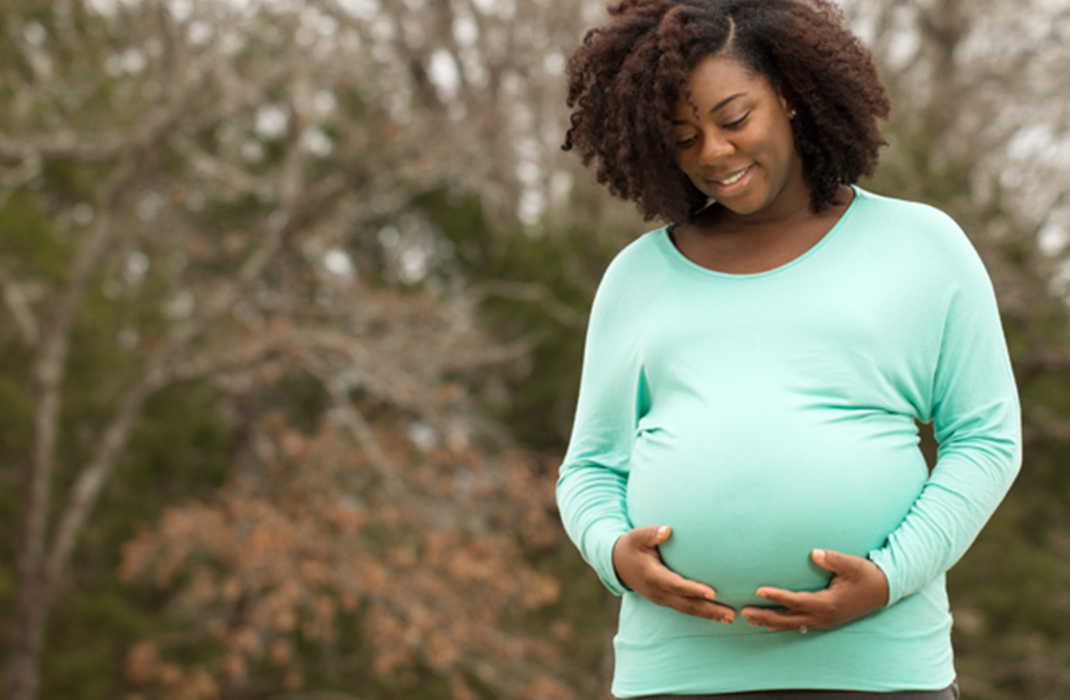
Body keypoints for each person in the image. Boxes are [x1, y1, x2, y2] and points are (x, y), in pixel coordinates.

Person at [555, 0, 1022, 698]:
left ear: (791, 96)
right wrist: (615, 554)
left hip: (878, 671)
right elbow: (590, 468)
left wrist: (891, 577)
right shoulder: (638, 277)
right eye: (683, 136)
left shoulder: (922, 248)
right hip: (676, 676)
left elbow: (986, 440)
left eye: (734, 119)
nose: (713, 152)